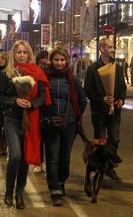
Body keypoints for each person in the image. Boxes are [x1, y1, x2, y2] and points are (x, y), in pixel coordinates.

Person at [0, 40, 51, 209]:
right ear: (14, 54)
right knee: (15, 155)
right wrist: (15, 100)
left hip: (29, 118)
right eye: (18, 52)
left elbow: (42, 96)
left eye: (24, 52)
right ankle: (8, 191)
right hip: (11, 118)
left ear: (29, 54)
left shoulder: (36, 72)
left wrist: (32, 103)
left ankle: (19, 193)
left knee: (25, 157)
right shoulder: (7, 73)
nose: (21, 55)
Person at [43, 47, 87, 206]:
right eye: (56, 60)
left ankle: (61, 181)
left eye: (62, 60)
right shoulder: (45, 78)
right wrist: (45, 117)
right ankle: (54, 189)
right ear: (51, 61)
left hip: (69, 125)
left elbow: (82, 100)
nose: (59, 63)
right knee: (52, 156)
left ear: (67, 61)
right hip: (50, 124)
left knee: (64, 157)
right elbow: (41, 99)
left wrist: (73, 117)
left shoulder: (73, 79)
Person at [84, 37, 127, 181]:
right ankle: (98, 166)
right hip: (99, 112)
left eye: (113, 47)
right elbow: (87, 90)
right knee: (101, 141)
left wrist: (121, 99)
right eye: (109, 47)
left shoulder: (118, 67)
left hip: (115, 111)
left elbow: (122, 86)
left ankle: (110, 168)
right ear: (101, 49)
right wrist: (101, 99)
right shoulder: (93, 68)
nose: (112, 49)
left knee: (114, 139)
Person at [33, 50, 49, 173]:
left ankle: (48, 162)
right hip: (37, 109)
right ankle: (39, 162)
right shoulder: (34, 74)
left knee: (48, 138)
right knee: (39, 138)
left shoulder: (52, 75)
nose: (43, 65)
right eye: (41, 63)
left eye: (46, 63)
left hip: (49, 109)